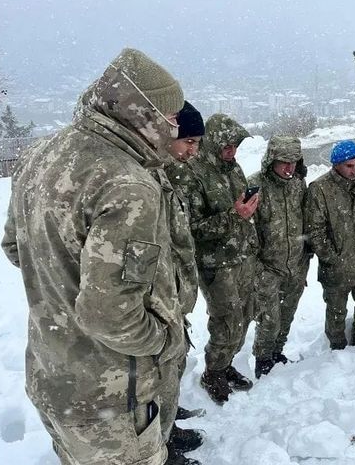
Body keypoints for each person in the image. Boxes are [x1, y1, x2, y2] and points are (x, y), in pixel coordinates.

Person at [1, 48, 188, 464]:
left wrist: (62, 286)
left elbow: (16, 247)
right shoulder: (127, 185)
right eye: (172, 116)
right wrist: (165, 342)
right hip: (110, 399)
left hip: (54, 377)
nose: (175, 126)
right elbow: (110, 316)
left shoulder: (42, 153)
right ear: (144, 113)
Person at [185, 113, 260, 403]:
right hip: (216, 263)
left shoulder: (233, 168)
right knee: (226, 320)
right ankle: (213, 372)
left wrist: (246, 213)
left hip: (243, 256)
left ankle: (226, 364)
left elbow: (239, 210)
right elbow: (193, 228)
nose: (233, 150)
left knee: (245, 315)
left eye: (236, 145)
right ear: (213, 143)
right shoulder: (194, 174)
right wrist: (234, 215)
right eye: (227, 145)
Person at [305, 140, 355, 349]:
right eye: (349, 166)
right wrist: (332, 258)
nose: (354, 170)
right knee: (336, 310)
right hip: (337, 268)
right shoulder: (320, 189)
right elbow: (315, 230)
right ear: (336, 164)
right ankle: (337, 345)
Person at [163, 100, 207, 460]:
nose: (192, 151)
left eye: (197, 144)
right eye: (188, 141)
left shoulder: (170, 175)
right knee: (156, 374)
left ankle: (168, 424)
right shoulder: (144, 178)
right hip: (158, 299)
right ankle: (160, 443)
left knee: (171, 368)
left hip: (174, 295)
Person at [250, 135, 310, 378]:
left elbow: (306, 218)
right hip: (267, 267)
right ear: (271, 160)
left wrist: (305, 255)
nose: (289, 168)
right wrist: (257, 268)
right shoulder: (255, 185)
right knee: (269, 320)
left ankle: (277, 352)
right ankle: (263, 359)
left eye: (294, 162)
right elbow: (247, 231)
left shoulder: (298, 184)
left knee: (287, 315)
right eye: (284, 162)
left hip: (296, 264)